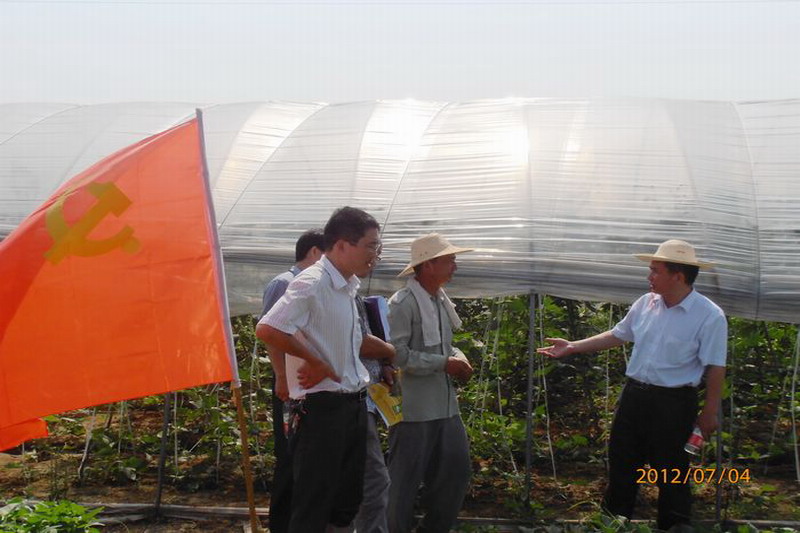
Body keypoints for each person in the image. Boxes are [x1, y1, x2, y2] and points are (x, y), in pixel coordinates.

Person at [537, 239, 727, 530]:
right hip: (635, 396)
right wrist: (573, 346)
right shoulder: (646, 303)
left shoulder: (709, 315)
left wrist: (709, 412)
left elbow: (715, 366)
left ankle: (674, 526)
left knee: (671, 470)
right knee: (622, 461)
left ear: (678, 276)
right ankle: (614, 522)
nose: (649, 276)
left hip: (674, 403)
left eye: (655, 271)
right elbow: (618, 334)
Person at [256, 206, 382, 533]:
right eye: (371, 246)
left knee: (345, 503)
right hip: (322, 411)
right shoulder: (312, 282)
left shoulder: (347, 286)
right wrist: (315, 361)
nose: (376, 254)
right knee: (313, 505)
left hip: (352, 405)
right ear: (341, 245)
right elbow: (269, 328)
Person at [386, 233, 475, 533]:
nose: (455, 266)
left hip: (445, 406)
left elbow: (443, 346)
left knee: (456, 471)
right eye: (449, 260)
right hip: (413, 409)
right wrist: (444, 363)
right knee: (404, 481)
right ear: (428, 265)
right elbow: (397, 355)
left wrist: (458, 357)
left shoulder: (439, 300)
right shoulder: (403, 304)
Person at [259, 229, 324, 533]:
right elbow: (271, 333)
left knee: (307, 456)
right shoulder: (284, 283)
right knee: (289, 455)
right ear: (315, 252)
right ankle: (281, 525)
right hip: (290, 386)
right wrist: (282, 378)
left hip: (308, 385)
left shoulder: (316, 285)